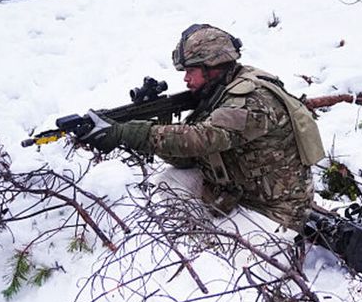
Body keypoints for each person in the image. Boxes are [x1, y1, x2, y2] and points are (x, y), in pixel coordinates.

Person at [84, 24, 324, 231]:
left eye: (191, 71)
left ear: (213, 66)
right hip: (240, 193)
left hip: (276, 213)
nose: (186, 79)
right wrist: (158, 127)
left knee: (220, 266)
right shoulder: (220, 90)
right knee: (169, 182)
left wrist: (134, 133)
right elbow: (187, 159)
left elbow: (203, 139)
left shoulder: (252, 99)